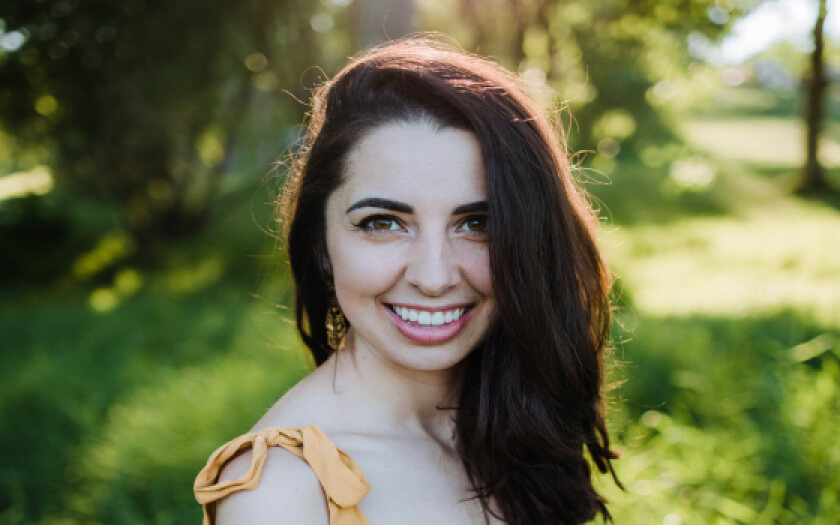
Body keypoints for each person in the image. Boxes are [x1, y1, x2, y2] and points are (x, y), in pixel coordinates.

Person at [194, 36, 620, 525]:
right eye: (383, 223)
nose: (434, 277)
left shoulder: (515, 421)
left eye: (477, 223)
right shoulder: (281, 494)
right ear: (321, 244)